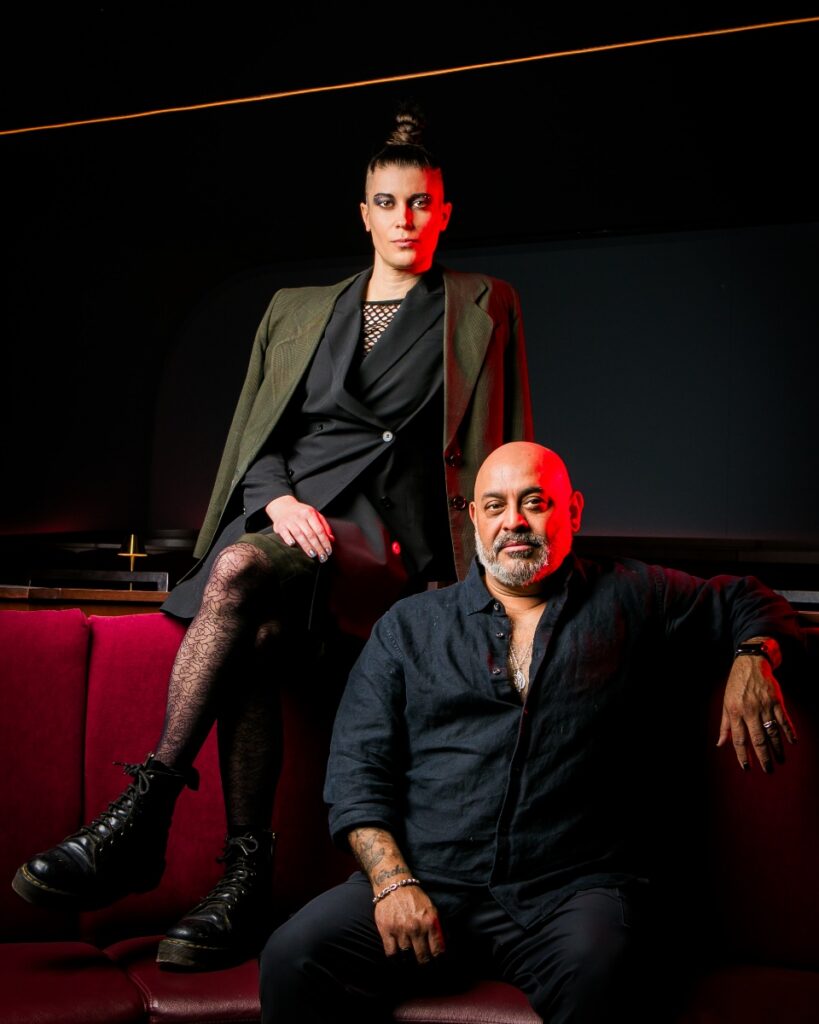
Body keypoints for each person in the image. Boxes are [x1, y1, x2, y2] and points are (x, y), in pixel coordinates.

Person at [11, 106, 533, 970]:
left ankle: (144, 811)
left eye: (421, 204)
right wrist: (280, 500)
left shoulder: (480, 305)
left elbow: (501, 441)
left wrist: (481, 582)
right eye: (387, 202)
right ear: (360, 213)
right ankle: (246, 877)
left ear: (444, 214)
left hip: (388, 538)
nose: (404, 219)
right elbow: (263, 440)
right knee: (253, 629)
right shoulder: (295, 309)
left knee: (238, 567)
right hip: (294, 518)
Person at [259, 441, 805, 1024]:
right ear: (473, 518)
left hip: (571, 893)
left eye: (534, 502)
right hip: (427, 880)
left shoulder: (635, 596)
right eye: (494, 506)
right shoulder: (408, 627)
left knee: (606, 969)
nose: (513, 521)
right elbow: (356, 772)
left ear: (573, 511)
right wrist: (393, 884)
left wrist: (752, 657)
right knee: (294, 957)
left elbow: (753, 599)